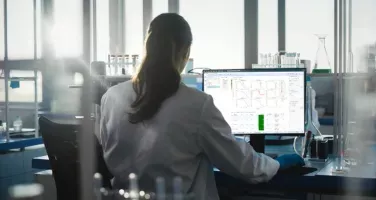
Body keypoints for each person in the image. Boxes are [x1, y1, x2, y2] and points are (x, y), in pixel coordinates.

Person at [98, 13, 305, 200]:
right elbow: (245, 166)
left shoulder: (111, 97)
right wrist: (278, 164)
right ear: (186, 53)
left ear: (147, 48)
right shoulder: (197, 104)